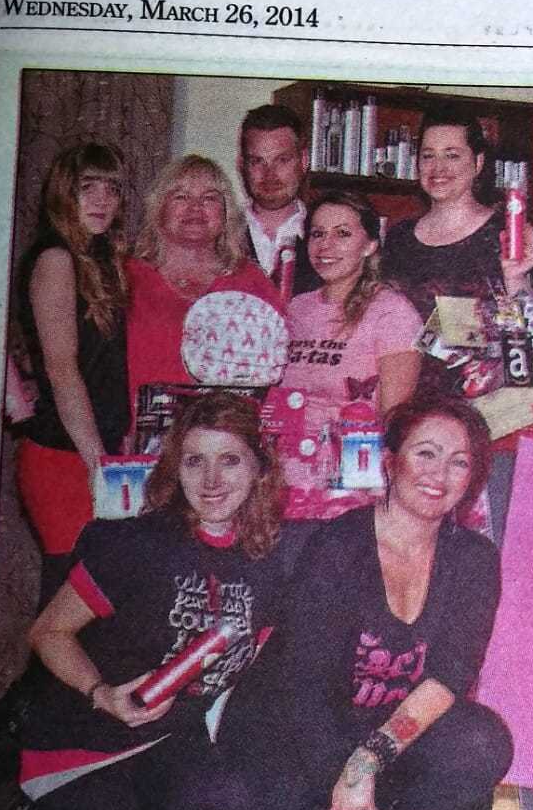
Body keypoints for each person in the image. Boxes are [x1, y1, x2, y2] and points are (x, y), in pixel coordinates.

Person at [229, 394, 512, 810]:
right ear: (390, 460)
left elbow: (449, 676)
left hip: (372, 737)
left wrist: (366, 764)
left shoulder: (474, 558)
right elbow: (304, 690)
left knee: (483, 739)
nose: (439, 473)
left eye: (459, 461)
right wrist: (345, 785)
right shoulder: (339, 545)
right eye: (425, 453)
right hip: (289, 735)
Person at [14, 392, 289, 810]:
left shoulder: (267, 558)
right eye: (194, 461)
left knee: (224, 806)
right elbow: (47, 632)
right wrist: (102, 694)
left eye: (229, 460)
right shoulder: (135, 546)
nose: (210, 481)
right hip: (81, 741)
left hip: (164, 738)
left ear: (258, 469)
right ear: (174, 468)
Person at [11, 142, 133, 603]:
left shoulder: (99, 260)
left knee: (84, 609)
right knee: (65, 608)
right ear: (65, 192)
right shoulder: (57, 258)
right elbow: (63, 373)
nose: (102, 200)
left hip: (86, 449)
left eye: (112, 189)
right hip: (63, 456)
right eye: (88, 188)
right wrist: (97, 463)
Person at [277, 192, 422, 518]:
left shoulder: (392, 313)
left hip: (351, 485)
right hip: (283, 480)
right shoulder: (296, 309)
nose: (325, 246)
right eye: (317, 234)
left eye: (342, 234)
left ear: (370, 245)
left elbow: (394, 422)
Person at [125, 154, 285, 404]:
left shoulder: (251, 281)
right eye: (181, 196)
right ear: (159, 208)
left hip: (224, 437)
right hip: (133, 434)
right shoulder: (125, 277)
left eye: (209, 198)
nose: (195, 207)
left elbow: (279, 365)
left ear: (225, 213)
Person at [380, 106, 533, 324]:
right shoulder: (399, 238)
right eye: (428, 155)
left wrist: (516, 280)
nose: (438, 167)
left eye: (452, 155)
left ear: (478, 163)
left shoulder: (511, 236)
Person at [238, 103, 322, 297]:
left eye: (282, 160)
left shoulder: (326, 239)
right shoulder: (219, 234)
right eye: (257, 161)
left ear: (303, 161)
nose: (270, 175)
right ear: (242, 165)